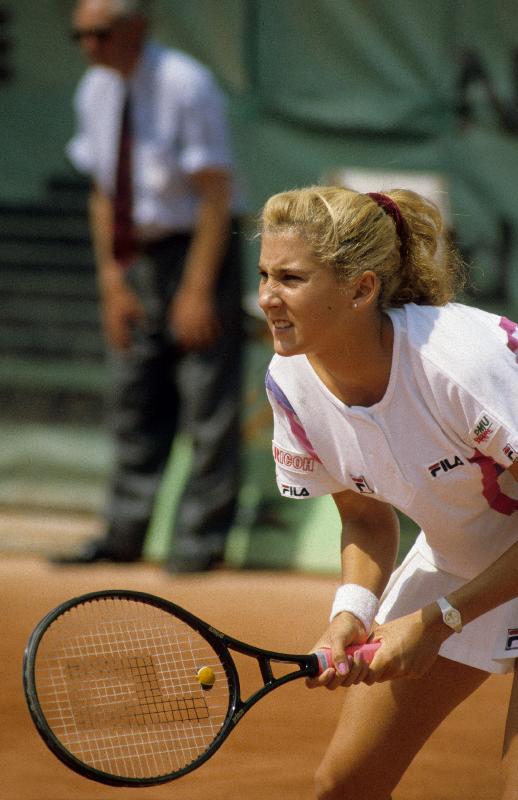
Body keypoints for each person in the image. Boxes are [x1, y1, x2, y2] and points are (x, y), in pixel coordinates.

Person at [257, 185, 518, 799]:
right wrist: (351, 613)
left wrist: (440, 621)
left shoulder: (461, 365)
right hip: (464, 557)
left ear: (361, 289)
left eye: (291, 278)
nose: (267, 296)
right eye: (264, 274)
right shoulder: (289, 381)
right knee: (344, 787)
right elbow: (365, 517)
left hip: (472, 577)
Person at [55, 0, 243, 571]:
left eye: (101, 33)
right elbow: (102, 193)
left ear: (138, 28)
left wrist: (196, 290)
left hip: (196, 250)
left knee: (206, 398)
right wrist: (113, 282)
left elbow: (215, 193)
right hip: (133, 253)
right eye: (79, 35)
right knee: (133, 396)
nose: (89, 45)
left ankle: (198, 544)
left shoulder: (187, 84)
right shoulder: (93, 90)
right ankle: (122, 535)